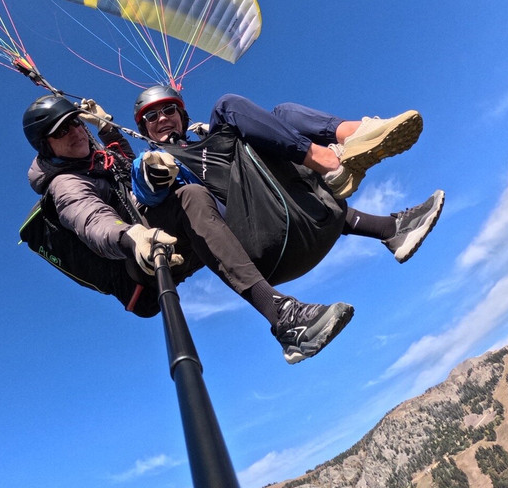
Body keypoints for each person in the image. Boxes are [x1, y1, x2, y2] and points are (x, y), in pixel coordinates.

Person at [24, 93, 353, 364]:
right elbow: (90, 219)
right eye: (62, 131)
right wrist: (130, 236)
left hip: (166, 238)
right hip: (136, 262)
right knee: (190, 196)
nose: (76, 132)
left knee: (223, 170)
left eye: (76, 123)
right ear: (46, 146)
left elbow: (122, 160)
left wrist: (105, 127)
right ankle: (284, 319)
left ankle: (380, 221)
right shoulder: (65, 184)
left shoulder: (98, 159)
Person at [131, 86, 444, 264]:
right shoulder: (153, 162)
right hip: (250, 236)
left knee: (278, 116)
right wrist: (148, 170)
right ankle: (331, 162)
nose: (161, 119)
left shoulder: (203, 140)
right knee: (228, 106)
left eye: (169, 110)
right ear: (143, 128)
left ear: (181, 116)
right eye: (151, 116)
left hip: (281, 213)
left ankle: (357, 136)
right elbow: (146, 191)